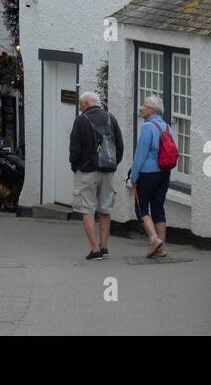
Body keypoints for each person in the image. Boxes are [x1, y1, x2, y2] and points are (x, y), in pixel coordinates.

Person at [68, 91, 123, 260]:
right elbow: (119, 146)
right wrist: (113, 165)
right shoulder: (110, 118)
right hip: (108, 171)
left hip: (86, 172)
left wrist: (75, 167)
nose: (79, 108)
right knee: (105, 210)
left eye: (80, 104)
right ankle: (104, 247)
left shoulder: (81, 120)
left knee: (87, 210)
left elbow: (75, 149)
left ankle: (94, 249)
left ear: (85, 104)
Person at [127, 96, 170, 258]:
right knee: (158, 208)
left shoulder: (147, 127)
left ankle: (154, 240)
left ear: (152, 109)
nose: (141, 109)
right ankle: (162, 247)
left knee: (141, 208)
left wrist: (134, 176)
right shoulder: (166, 126)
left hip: (148, 173)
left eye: (144, 106)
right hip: (164, 173)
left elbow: (140, 155)